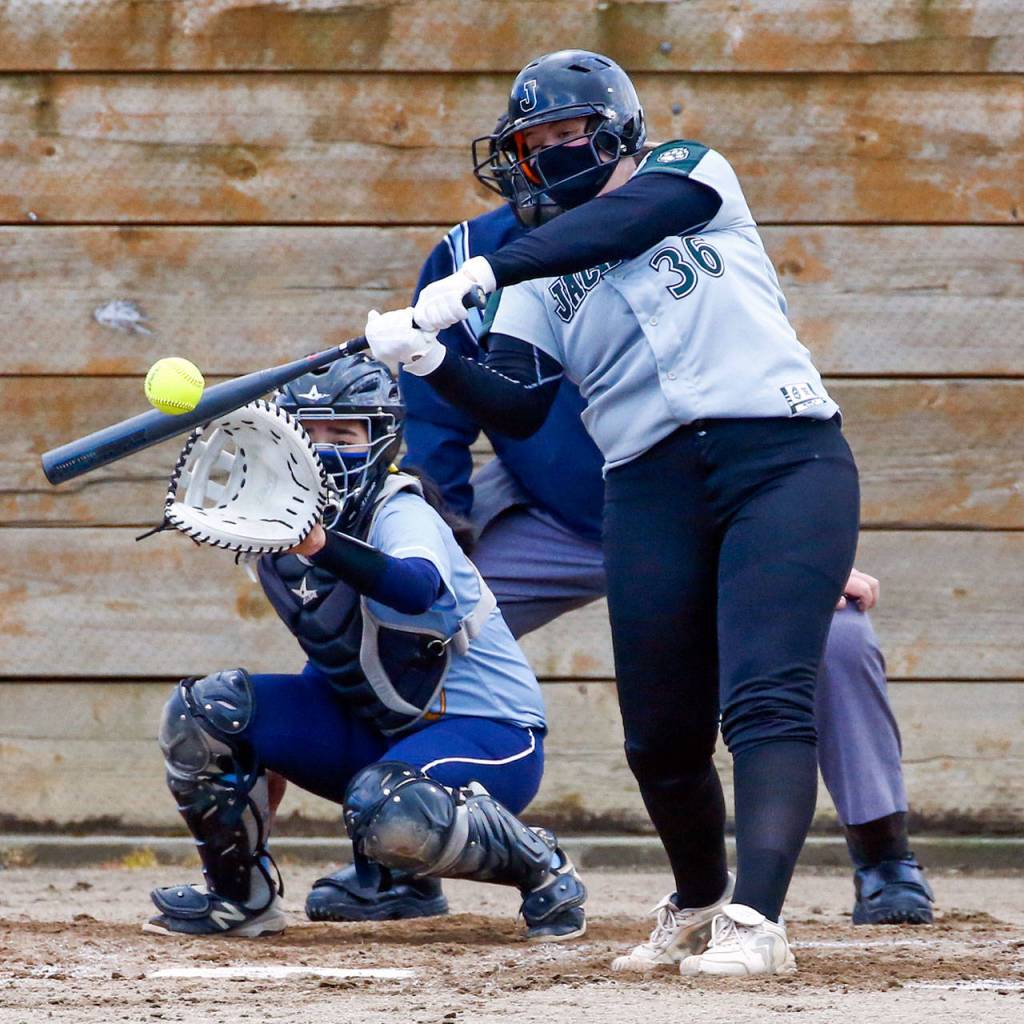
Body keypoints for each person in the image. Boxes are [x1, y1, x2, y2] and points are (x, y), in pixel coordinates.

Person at [306, 134, 934, 937]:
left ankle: (882, 858)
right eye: (527, 148)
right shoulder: (503, 261)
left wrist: (490, 271)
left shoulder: (687, 176)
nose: (542, 159)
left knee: (824, 650)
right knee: (413, 623)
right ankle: (396, 853)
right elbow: (511, 404)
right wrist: (428, 360)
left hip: (767, 472)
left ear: (611, 132)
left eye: (561, 139)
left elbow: (619, 223)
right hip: (604, 507)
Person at [142, 354, 587, 942]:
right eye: (311, 433)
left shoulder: (400, 509)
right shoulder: (274, 520)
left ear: (381, 442)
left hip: (489, 733)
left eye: (344, 435)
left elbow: (415, 587)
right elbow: (337, 649)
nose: (324, 451)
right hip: (378, 729)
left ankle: (541, 864)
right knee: (206, 713)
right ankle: (240, 898)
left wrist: (319, 543)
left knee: (390, 808)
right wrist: (259, 750)